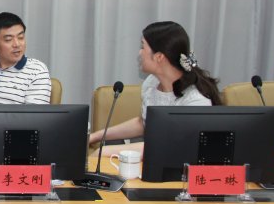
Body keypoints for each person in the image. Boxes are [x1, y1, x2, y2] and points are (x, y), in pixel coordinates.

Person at [88, 21, 221, 157]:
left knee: (102, 153)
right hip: (154, 157)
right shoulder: (152, 82)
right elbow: (143, 123)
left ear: (159, 57)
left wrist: (103, 152)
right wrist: (95, 136)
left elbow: (167, 146)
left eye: (143, 47)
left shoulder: (196, 101)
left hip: (176, 163)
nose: (139, 52)